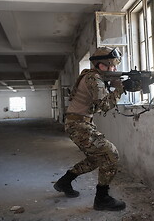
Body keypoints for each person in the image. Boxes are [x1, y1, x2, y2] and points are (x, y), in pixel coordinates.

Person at [54, 47, 128, 211]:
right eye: (113, 65)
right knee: (111, 154)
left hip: (80, 123)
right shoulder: (94, 79)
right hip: (78, 125)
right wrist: (120, 89)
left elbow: (96, 106)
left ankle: (64, 182)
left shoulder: (91, 76)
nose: (115, 69)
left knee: (96, 159)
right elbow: (105, 105)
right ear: (102, 65)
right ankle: (102, 198)